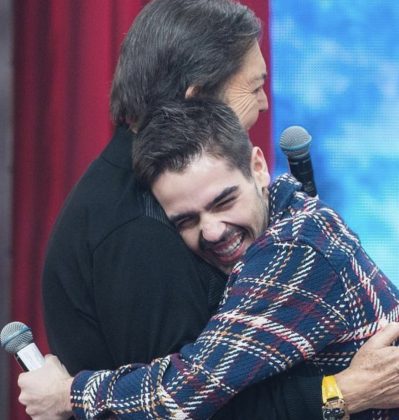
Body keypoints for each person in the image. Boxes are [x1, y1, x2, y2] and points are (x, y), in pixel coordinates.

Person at [38, 0, 399, 418]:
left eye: (223, 201)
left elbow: (190, 391)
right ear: (198, 101)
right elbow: (201, 402)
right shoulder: (138, 227)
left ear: (258, 169)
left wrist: (68, 395)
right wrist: (346, 391)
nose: (264, 104)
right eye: (254, 86)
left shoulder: (290, 241)